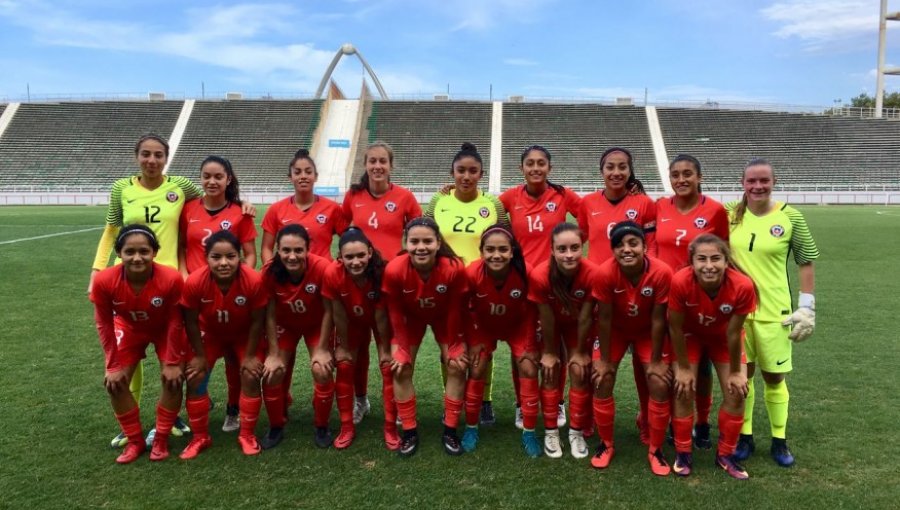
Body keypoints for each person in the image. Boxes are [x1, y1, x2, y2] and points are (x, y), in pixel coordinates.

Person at [90, 134, 203, 448]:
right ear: (136, 156)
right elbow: (111, 229)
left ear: (166, 158)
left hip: (169, 283)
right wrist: (97, 270)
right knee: (129, 352)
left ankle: (172, 418)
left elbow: (208, 201)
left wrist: (241, 202)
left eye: (158, 155)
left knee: (173, 354)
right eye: (145, 154)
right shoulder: (121, 188)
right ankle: (132, 421)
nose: (152, 160)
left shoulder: (181, 186)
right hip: (129, 276)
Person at [727, 158, 819, 467]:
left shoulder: (790, 216)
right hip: (737, 314)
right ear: (743, 183)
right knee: (742, 377)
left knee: (774, 377)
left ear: (774, 182)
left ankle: (779, 440)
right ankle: (745, 436)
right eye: (751, 181)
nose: (757, 186)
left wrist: (806, 306)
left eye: (763, 180)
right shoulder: (729, 214)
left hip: (774, 313)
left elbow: (805, 261)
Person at [425, 142, 509, 425]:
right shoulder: (439, 201)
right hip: (445, 286)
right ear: (452, 173)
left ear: (481, 174)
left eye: (473, 171)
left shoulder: (492, 204)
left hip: (481, 287)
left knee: (482, 347)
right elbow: (425, 237)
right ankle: (452, 397)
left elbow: (506, 242)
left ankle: (485, 400)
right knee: (447, 345)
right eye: (461, 170)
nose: (466, 176)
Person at [649, 154, 729, 448]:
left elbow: (723, 254)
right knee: (675, 364)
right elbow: (653, 246)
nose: (681, 180)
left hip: (702, 299)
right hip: (667, 298)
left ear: (700, 177)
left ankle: (702, 423)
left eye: (687, 174)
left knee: (703, 365)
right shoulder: (660, 206)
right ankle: (675, 421)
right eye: (675, 175)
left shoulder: (716, 211)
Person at [499, 145, 582, 430]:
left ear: (550, 167)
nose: (536, 168)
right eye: (530, 164)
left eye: (541, 163)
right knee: (521, 345)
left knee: (554, 343)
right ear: (521, 168)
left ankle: (556, 401)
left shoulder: (562, 195)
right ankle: (523, 404)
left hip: (555, 283)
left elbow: (590, 215)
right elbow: (488, 217)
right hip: (520, 283)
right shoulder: (509, 197)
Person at [90, 225, 186, 463]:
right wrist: (112, 365)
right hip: (129, 327)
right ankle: (135, 441)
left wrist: (172, 362)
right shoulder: (104, 280)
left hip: (165, 328)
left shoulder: (171, 278)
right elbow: (104, 324)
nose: (137, 257)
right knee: (115, 382)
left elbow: (176, 320)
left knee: (173, 378)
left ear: (154, 252)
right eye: (129, 251)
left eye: (144, 251)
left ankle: (161, 439)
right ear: (119, 253)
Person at [341, 141, 421, 427]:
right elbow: (343, 232)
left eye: (382, 161)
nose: (377, 166)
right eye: (372, 161)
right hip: (359, 282)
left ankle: (398, 405)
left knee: (389, 346)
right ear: (365, 164)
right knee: (358, 346)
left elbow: (420, 233)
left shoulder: (405, 197)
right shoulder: (353, 196)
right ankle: (361, 400)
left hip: (391, 283)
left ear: (391, 165)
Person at [179, 155, 258, 433]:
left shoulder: (240, 213)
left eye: (218, 177)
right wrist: (186, 277)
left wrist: (236, 282)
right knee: (196, 362)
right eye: (207, 176)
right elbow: (179, 248)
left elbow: (250, 254)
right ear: (200, 178)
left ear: (229, 180)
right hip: (198, 297)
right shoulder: (187, 209)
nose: (212, 181)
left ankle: (234, 410)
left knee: (237, 362)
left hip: (231, 295)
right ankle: (201, 409)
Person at [179, 231, 275, 458]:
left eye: (230, 256)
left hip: (243, 335)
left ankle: (247, 434)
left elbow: (257, 320)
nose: (224, 263)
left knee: (251, 374)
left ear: (239, 256)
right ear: (206, 257)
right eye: (216, 257)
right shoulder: (194, 281)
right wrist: (200, 357)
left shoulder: (253, 280)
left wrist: (251, 356)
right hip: (209, 334)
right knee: (195, 376)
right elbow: (190, 322)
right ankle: (200, 436)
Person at [669, 234, 756, 480]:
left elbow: (733, 332)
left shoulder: (743, 285)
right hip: (688, 336)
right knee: (683, 387)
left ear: (726, 261)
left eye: (716, 258)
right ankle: (683, 451)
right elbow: (674, 327)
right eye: (702, 259)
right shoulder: (680, 281)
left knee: (738, 391)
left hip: (724, 339)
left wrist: (738, 373)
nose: (709, 265)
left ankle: (726, 454)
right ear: (692, 262)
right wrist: (684, 369)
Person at [590, 222, 674, 475]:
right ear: (612, 250)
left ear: (645, 246)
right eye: (619, 245)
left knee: (659, 381)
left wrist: (658, 361)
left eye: (633, 243)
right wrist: (604, 360)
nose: (626, 250)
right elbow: (603, 319)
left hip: (648, 331)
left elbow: (660, 319)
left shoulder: (661, 272)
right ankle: (606, 444)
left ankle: (655, 450)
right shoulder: (605, 273)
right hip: (615, 330)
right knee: (602, 377)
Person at [382, 217, 469, 457]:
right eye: (415, 241)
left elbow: (454, 309)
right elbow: (395, 311)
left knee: (457, 365)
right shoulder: (395, 269)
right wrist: (399, 347)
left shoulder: (453, 267)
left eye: (428, 241)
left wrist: (453, 346)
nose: (421, 247)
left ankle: (450, 429)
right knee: (399, 367)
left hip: (444, 318)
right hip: (410, 319)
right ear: (406, 243)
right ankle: (409, 431)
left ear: (438, 242)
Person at [461, 225, 542, 457]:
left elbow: (536, 306)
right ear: (481, 251)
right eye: (490, 249)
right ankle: (471, 427)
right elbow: (463, 309)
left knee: (527, 366)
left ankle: (528, 431)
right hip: (484, 326)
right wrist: (473, 338)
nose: (496, 255)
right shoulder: (472, 273)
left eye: (503, 249)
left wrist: (534, 334)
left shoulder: (526, 271)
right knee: (477, 368)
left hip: (518, 324)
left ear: (512, 251)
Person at [527, 223, 599, 459]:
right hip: (551, 325)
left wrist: (579, 351)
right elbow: (546, 318)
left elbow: (587, 316)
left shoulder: (591, 273)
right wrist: (549, 352)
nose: (569, 255)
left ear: (583, 247)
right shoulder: (540, 275)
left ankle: (575, 432)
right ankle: (550, 431)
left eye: (575, 248)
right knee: (550, 369)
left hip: (577, 325)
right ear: (552, 250)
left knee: (579, 369)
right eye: (562, 249)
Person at [318, 228, 393, 450]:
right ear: (340, 257)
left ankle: (390, 427)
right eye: (349, 257)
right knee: (345, 363)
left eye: (361, 255)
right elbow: (337, 312)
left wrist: (386, 348)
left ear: (370, 252)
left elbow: (381, 316)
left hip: (380, 321)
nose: (356, 261)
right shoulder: (333, 273)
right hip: (350, 321)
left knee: (388, 365)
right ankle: (347, 425)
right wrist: (343, 345)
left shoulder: (381, 271)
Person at [261, 224, 334, 448]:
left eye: (298, 250)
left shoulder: (323, 268)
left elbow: (330, 310)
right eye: (286, 250)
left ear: (308, 248)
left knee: (321, 369)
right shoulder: (269, 271)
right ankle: (276, 425)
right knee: (272, 372)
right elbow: (269, 314)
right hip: (285, 325)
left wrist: (322, 349)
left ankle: (321, 426)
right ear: (278, 250)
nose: (292, 256)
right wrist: (273, 353)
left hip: (316, 324)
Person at [261, 149, 348, 262]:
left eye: (308, 172)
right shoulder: (276, 209)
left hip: (322, 275)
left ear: (315, 176)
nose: (303, 176)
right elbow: (266, 248)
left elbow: (349, 241)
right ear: (290, 178)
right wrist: (272, 272)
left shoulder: (333, 208)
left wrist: (338, 264)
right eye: (297, 172)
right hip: (288, 275)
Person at [578, 147, 656, 265]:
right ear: (601, 171)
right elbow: (579, 240)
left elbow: (651, 247)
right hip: (597, 277)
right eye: (610, 167)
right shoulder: (588, 202)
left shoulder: (645, 203)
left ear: (630, 172)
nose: (616, 173)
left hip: (630, 276)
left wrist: (646, 271)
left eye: (622, 167)